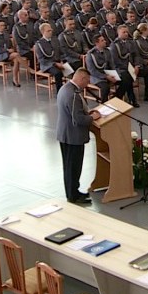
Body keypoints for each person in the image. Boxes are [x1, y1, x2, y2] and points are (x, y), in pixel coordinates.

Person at [55, 67, 101, 204]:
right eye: (87, 81)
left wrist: (88, 113)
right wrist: (92, 118)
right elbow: (78, 119)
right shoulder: (73, 94)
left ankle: (73, 191)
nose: (87, 84)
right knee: (73, 167)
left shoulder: (65, 88)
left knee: (69, 166)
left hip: (65, 133)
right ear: (82, 78)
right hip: (73, 136)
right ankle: (73, 195)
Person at [109, 25, 138, 106]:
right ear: (118, 33)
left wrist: (137, 65)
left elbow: (136, 55)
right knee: (127, 77)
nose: (126, 34)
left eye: (127, 32)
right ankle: (130, 98)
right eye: (123, 32)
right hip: (119, 68)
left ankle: (117, 97)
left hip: (130, 67)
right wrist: (128, 68)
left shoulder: (131, 42)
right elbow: (115, 61)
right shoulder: (114, 45)